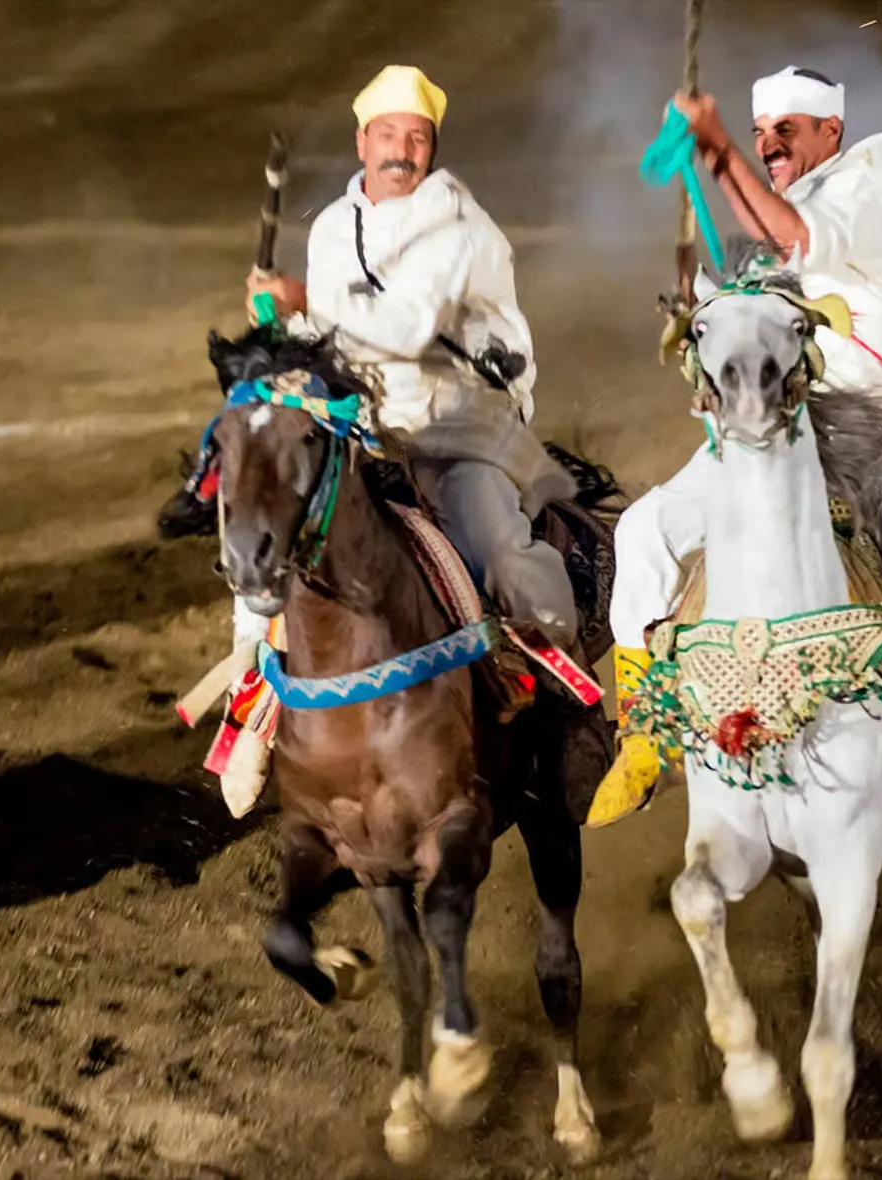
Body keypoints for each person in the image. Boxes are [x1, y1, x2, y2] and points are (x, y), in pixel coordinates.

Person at [585, 66, 882, 827]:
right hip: (776, 424)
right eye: (760, 135)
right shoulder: (775, 222)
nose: (771, 145)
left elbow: (796, 238)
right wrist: (699, 318)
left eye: (786, 129)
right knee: (644, 529)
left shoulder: (866, 191)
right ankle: (644, 732)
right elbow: (750, 304)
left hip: (881, 421)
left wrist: (718, 147)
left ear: (833, 131)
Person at [224, 64, 582, 800]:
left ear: (432, 148)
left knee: (499, 548)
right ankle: (252, 710)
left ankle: (565, 698)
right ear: (362, 140)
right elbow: (325, 337)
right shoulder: (330, 228)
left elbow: (409, 324)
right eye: (388, 133)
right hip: (365, 434)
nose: (402, 149)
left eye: (417, 137)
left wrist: (303, 296)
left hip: (460, 430)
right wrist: (281, 325)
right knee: (266, 535)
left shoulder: (460, 225)